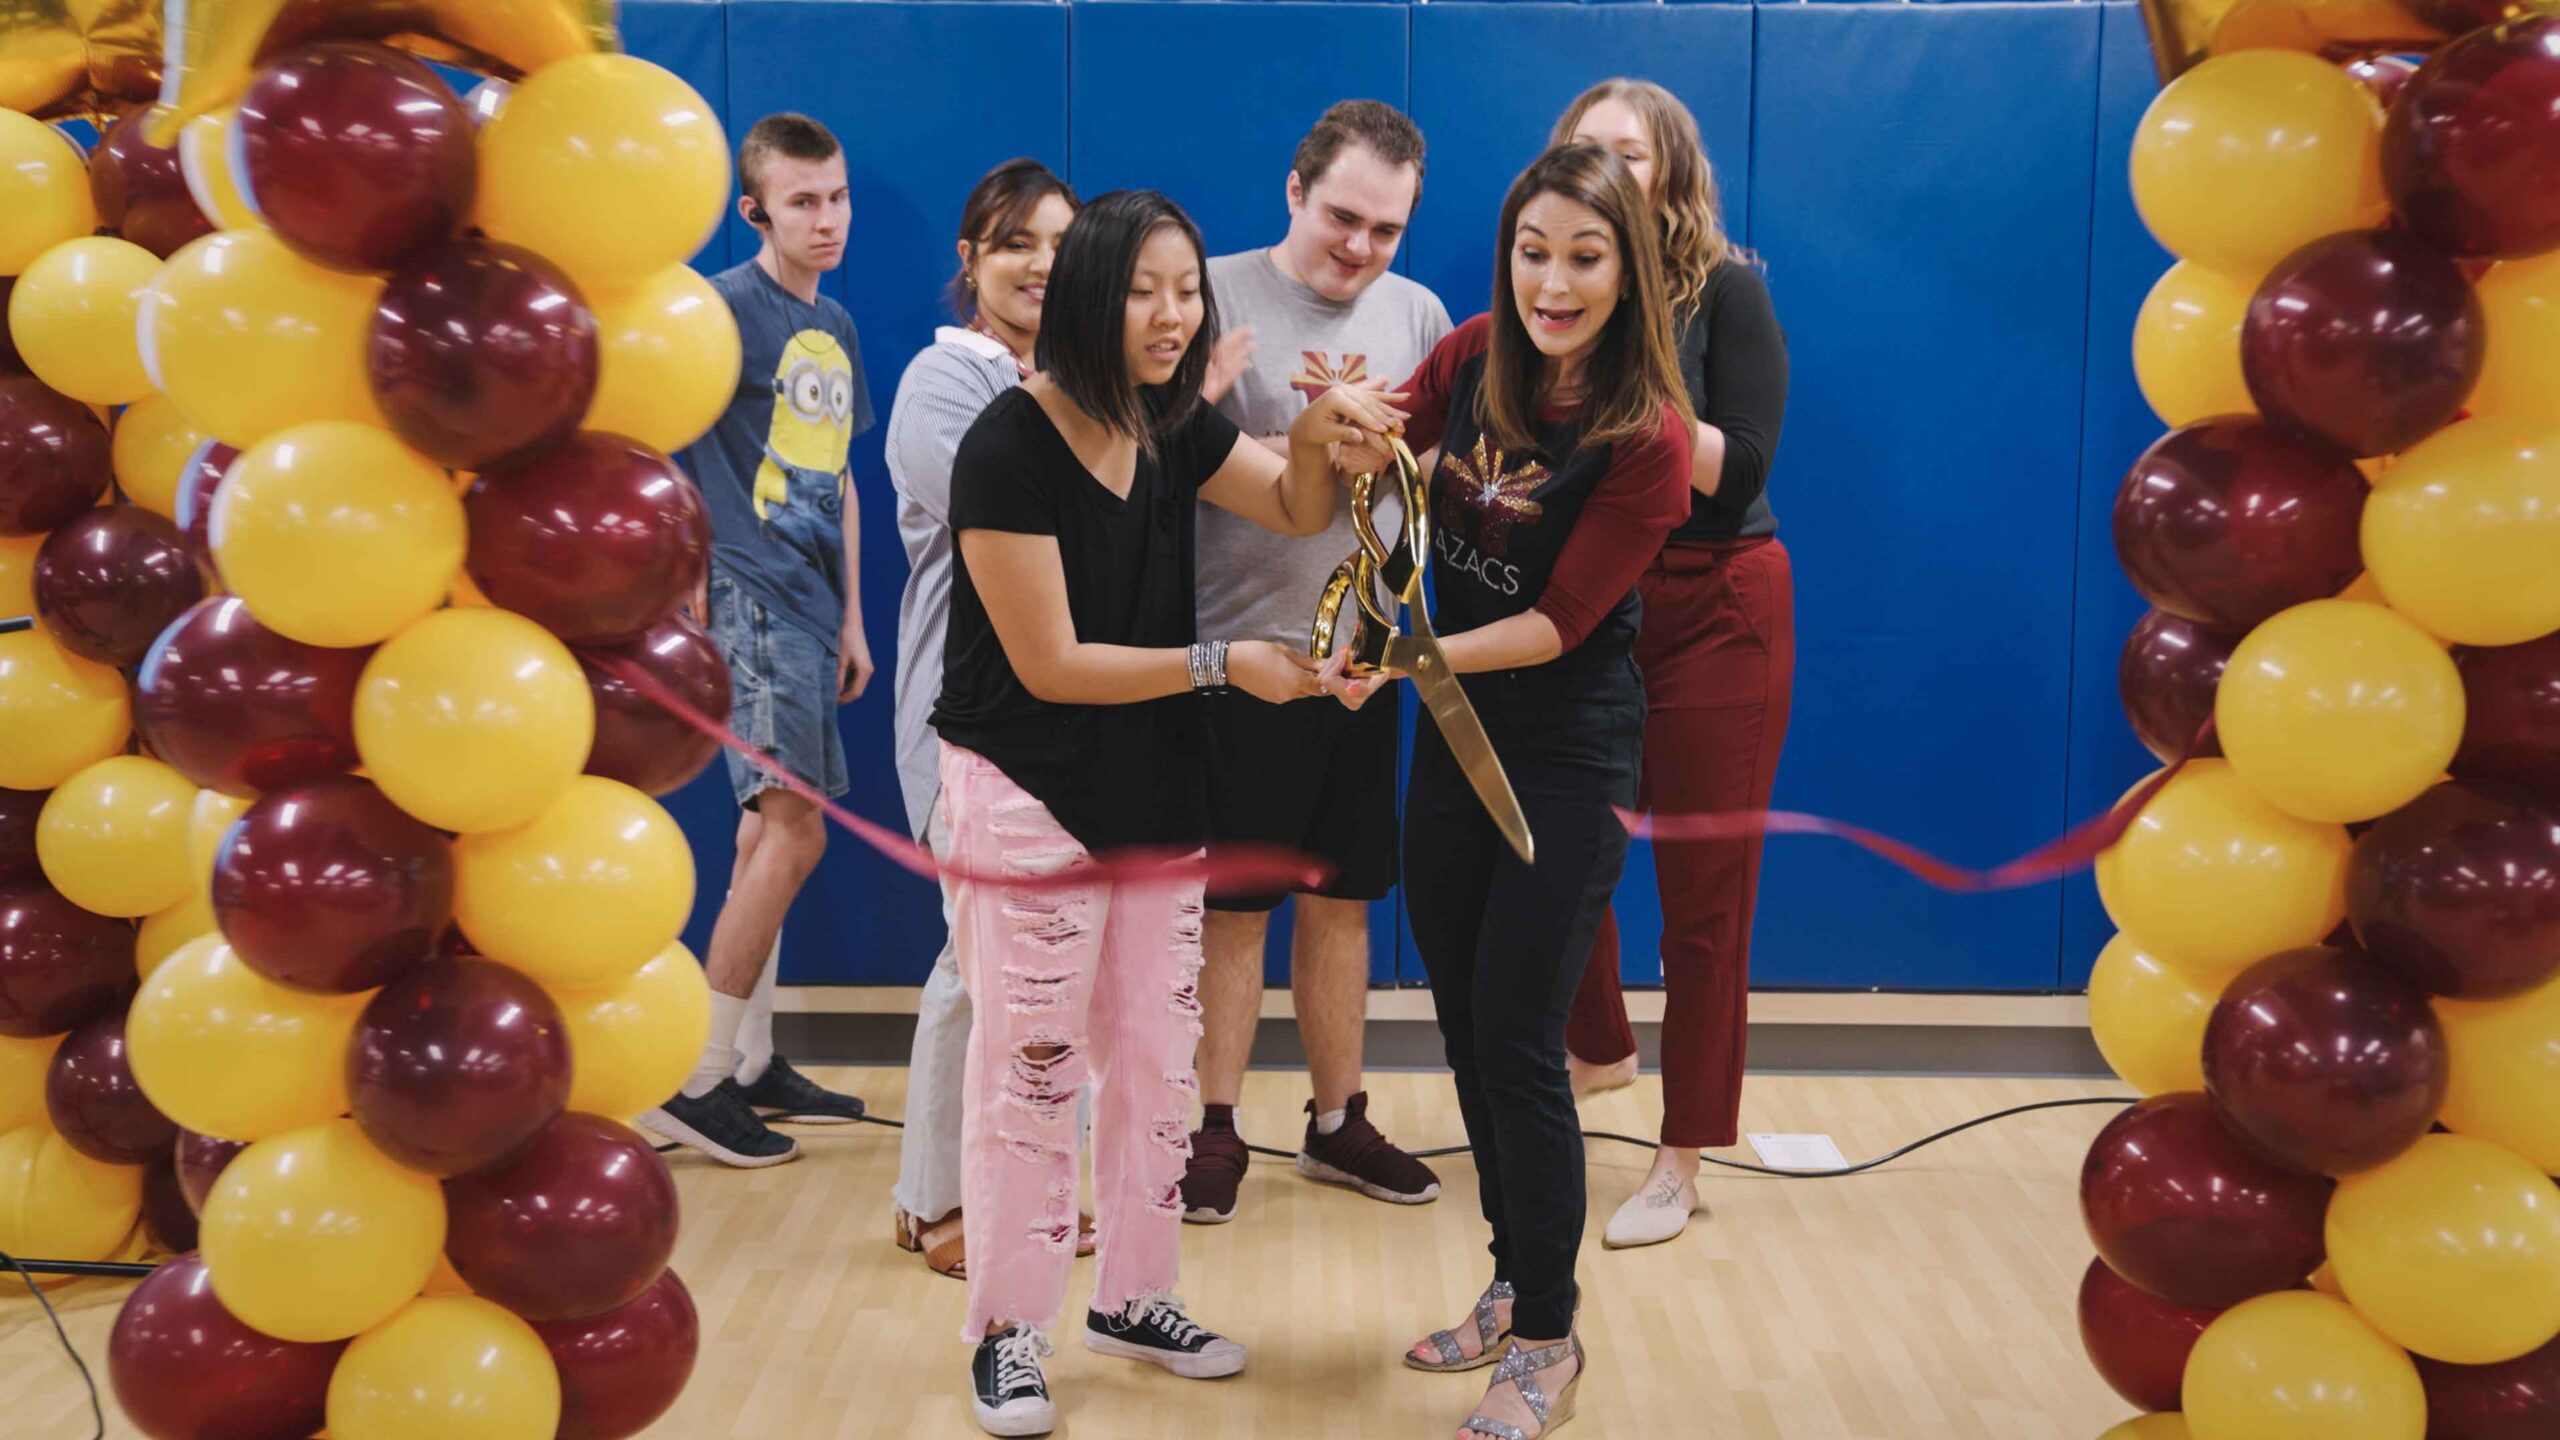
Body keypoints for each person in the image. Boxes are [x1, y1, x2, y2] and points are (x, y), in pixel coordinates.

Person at [934, 189, 1404, 1436]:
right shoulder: (1007, 447)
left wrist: (1317, 435)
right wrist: (1223, 662)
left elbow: (1299, 508)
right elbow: (1049, 665)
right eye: (1145, 287)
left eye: (1187, 288)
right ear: (1090, 292)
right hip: (1029, 794)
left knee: (1156, 1067)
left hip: (1154, 789)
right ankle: (1008, 1330)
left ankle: (1135, 1296)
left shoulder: (1169, 421)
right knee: (1031, 1074)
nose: (1172, 312)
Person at [1325, 143, 1694, 1440]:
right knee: (1472, 1028)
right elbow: (1388, 458)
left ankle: (1549, 1336)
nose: (1554, 280)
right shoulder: (1474, 350)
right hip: (1450, 725)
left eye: (1585, 257)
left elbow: (1556, 622)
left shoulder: (1648, 434)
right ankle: (1512, 1277)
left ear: (1629, 270)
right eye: (1534, 250)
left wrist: (1399, 658)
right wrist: (1354, 427)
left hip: (1566, 747)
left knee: (1524, 1037)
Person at [1182, 99, 1453, 1225]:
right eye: (1343, 216)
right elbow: (1167, 458)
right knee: (1234, 912)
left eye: (1385, 230)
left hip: (1360, 664)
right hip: (1239, 661)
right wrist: (1284, 444)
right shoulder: (1207, 292)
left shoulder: (1420, 311)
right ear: (1294, 191)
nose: (1361, 247)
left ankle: (1337, 1122)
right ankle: (1210, 1128)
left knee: (1345, 902)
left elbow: (1428, 474)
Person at [1553, 79, 1793, 1250]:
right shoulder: (1548, 295)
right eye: (1584, 149)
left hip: (1716, 602)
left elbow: (1738, 469)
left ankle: (1681, 1155)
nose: (1605, 164)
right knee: (1558, 850)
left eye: (1629, 153)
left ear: (1671, 176)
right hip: (1596, 602)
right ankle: (1597, 1049)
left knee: (1704, 901)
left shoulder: (1727, 291)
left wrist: (1635, 398)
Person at [640, 113, 875, 1167]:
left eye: (835, 197)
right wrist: (690, 568)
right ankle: (689, 1081)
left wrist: (855, 614)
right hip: (749, 597)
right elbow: (654, 439)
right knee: (794, 831)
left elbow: (840, 480)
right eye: (801, 202)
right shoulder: (721, 310)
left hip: (811, 605)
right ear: (755, 211)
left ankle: (748, 1058)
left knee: (759, 835)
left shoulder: (836, 324)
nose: (825, 219)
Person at [886, 158, 1084, 1279]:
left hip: (1050, 718)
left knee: (1042, 966)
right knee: (979, 961)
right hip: (959, 717)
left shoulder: (1068, 385)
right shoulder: (941, 383)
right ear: (972, 261)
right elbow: (1022, 514)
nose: (1041, 266)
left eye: (1061, 245)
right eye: (1016, 243)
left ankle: (1029, 1191)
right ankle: (936, 1202)